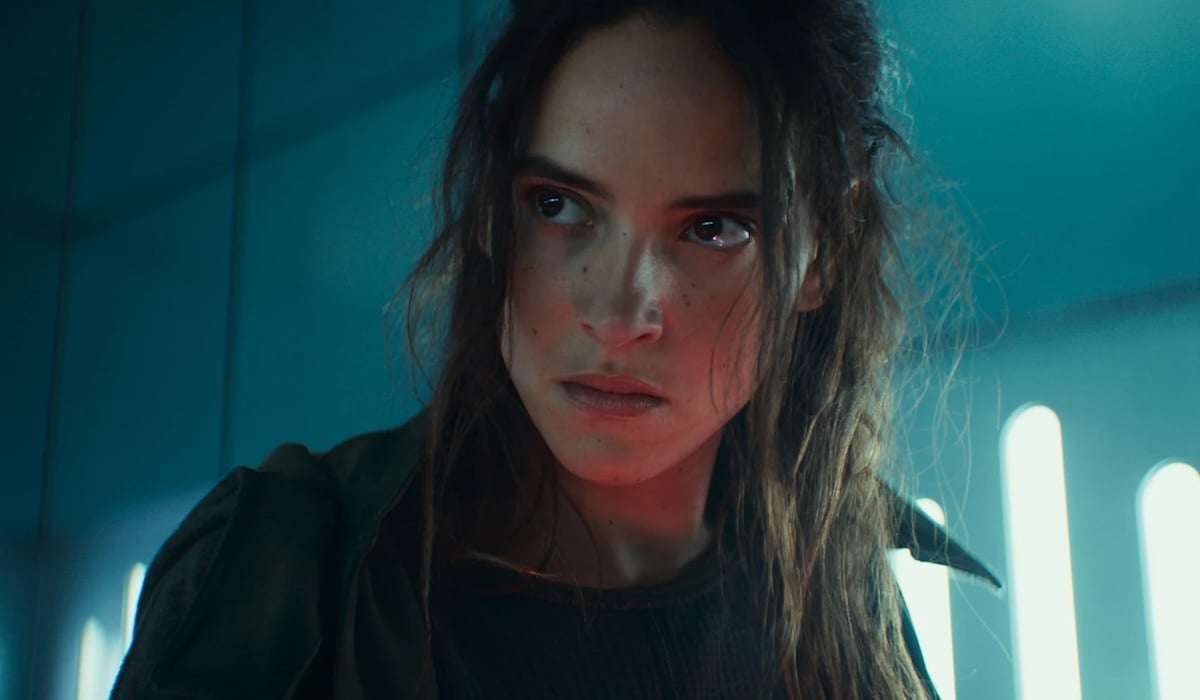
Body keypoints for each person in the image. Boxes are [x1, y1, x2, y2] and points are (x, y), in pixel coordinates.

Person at [112, 0, 1000, 698]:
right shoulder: (289, 576)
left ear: (823, 252)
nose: (618, 316)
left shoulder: (843, 604)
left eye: (713, 228)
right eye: (558, 206)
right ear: (492, 210)